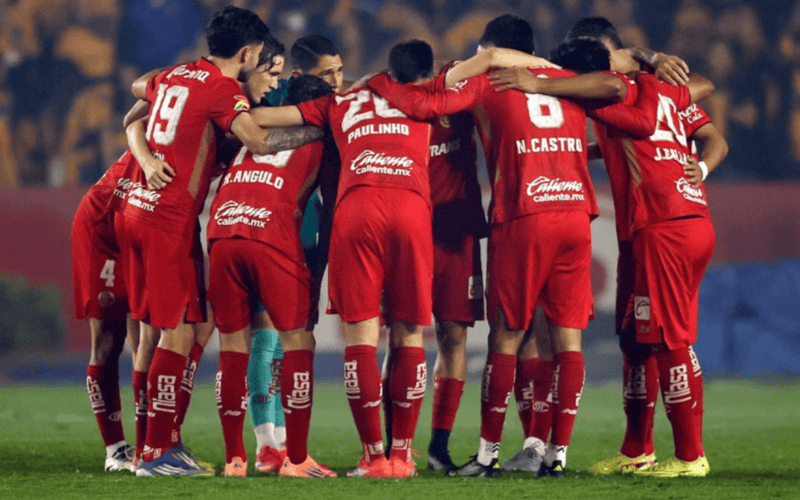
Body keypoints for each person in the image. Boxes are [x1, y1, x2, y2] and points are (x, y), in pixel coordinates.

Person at [367, 16, 615, 477]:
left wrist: (381, 83)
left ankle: (486, 457)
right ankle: (553, 456)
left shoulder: (486, 80)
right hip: (577, 213)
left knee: (506, 335)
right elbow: (616, 89)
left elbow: (428, 104)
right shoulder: (568, 81)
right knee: (566, 339)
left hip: (524, 214)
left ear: (489, 48)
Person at [489, 34, 717, 478]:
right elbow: (698, 99)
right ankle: (637, 449)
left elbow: (617, 95)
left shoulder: (630, 90)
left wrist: (539, 85)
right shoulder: (660, 92)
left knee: (669, 340)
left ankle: (691, 456)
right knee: (637, 339)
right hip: (660, 226)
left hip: (665, 223)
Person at [120, 6, 276, 477]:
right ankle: (153, 453)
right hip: (165, 217)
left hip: (141, 212)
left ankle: (164, 441)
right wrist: (313, 125)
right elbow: (258, 142)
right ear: (247, 53)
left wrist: (146, 156)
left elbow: (134, 94)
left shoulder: (177, 74)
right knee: (180, 331)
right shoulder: (223, 90)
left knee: (180, 324)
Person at [208, 73, 337, 478]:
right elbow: (331, 206)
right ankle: (296, 460)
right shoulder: (321, 140)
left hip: (222, 234)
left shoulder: (249, 133)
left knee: (232, 349)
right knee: (298, 342)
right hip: (270, 235)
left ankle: (235, 459)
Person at [71, 148, 139, 472]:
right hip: (104, 224)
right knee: (108, 341)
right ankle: (115, 449)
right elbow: (132, 118)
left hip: (144, 221)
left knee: (148, 335)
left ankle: (153, 445)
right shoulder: (194, 100)